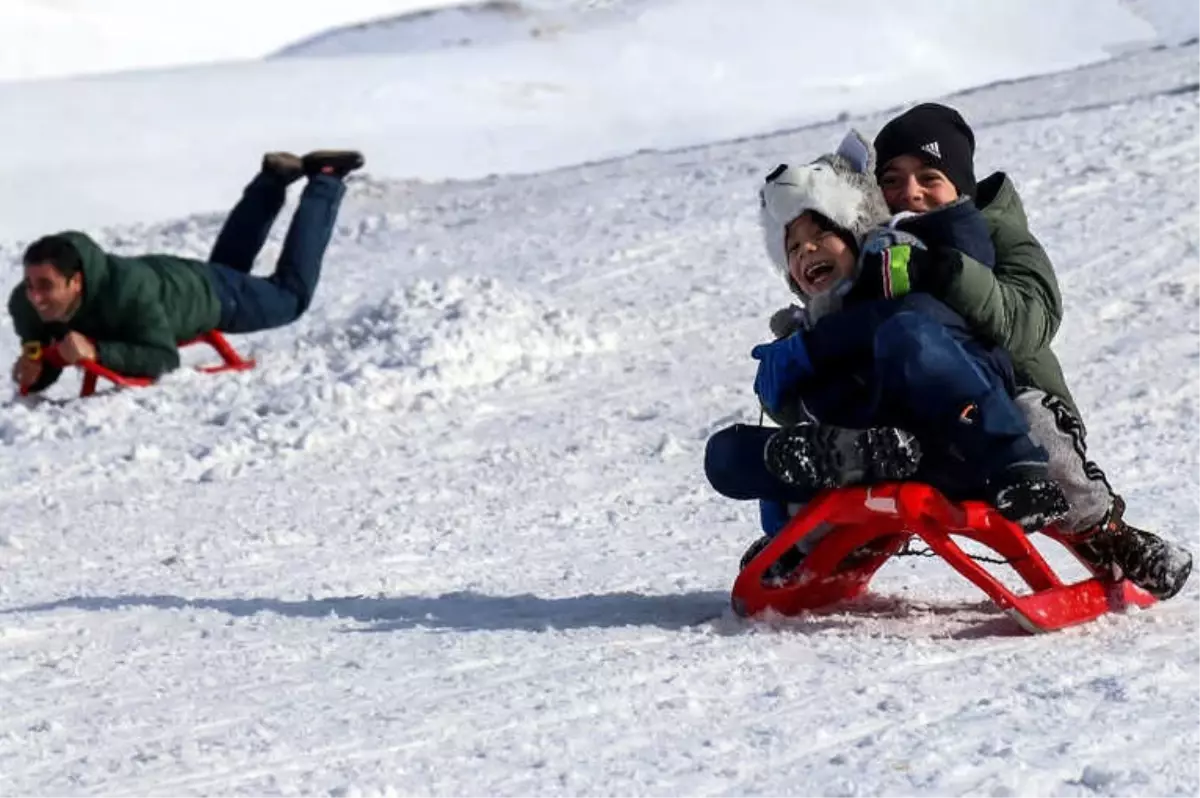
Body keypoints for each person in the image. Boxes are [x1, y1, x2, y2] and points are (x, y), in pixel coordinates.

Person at [857, 102, 1189, 600]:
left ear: (961, 187)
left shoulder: (999, 234)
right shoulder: (874, 251)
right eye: (892, 179)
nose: (910, 193)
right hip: (919, 420)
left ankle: (1107, 535)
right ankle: (824, 542)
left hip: (1012, 403)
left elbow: (1028, 323)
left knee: (1032, 425)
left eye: (929, 176)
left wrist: (946, 270)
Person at [704, 130, 1069, 575]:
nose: (808, 251)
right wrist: (781, 387)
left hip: (959, 449)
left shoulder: (900, 266)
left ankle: (1017, 464)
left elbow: (920, 330)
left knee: (906, 333)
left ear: (857, 231)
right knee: (724, 453)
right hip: (876, 458)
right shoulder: (805, 332)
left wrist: (815, 349)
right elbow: (797, 409)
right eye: (793, 247)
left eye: (821, 234)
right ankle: (844, 470)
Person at [9, 149, 365, 395]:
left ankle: (326, 180)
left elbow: (163, 358)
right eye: (30, 284)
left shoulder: (126, 294)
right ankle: (273, 179)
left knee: (291, 297)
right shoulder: (25, 305)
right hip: (177, 278)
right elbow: (42, 350)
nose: (35, 296)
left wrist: (97, 352)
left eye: (46, 286)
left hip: (207, 295)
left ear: (77, 281)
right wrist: (37, 372)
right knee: (227, 270)